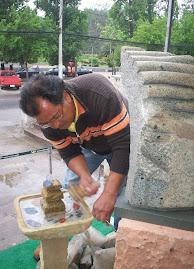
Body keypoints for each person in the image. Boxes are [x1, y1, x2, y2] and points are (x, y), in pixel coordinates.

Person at [19, 73, 130, 260]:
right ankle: (55, 237)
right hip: (87, 142)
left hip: (119, 140)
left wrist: (109, 194)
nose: (56, 125)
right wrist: (85, 175)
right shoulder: (46, 121)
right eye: (46, 122)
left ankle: (124, 241)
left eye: (57, 116)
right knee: (70, 185)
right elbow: (69, 152)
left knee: (124, 196)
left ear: (66, 96)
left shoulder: (99, 93)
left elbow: (122, 147)